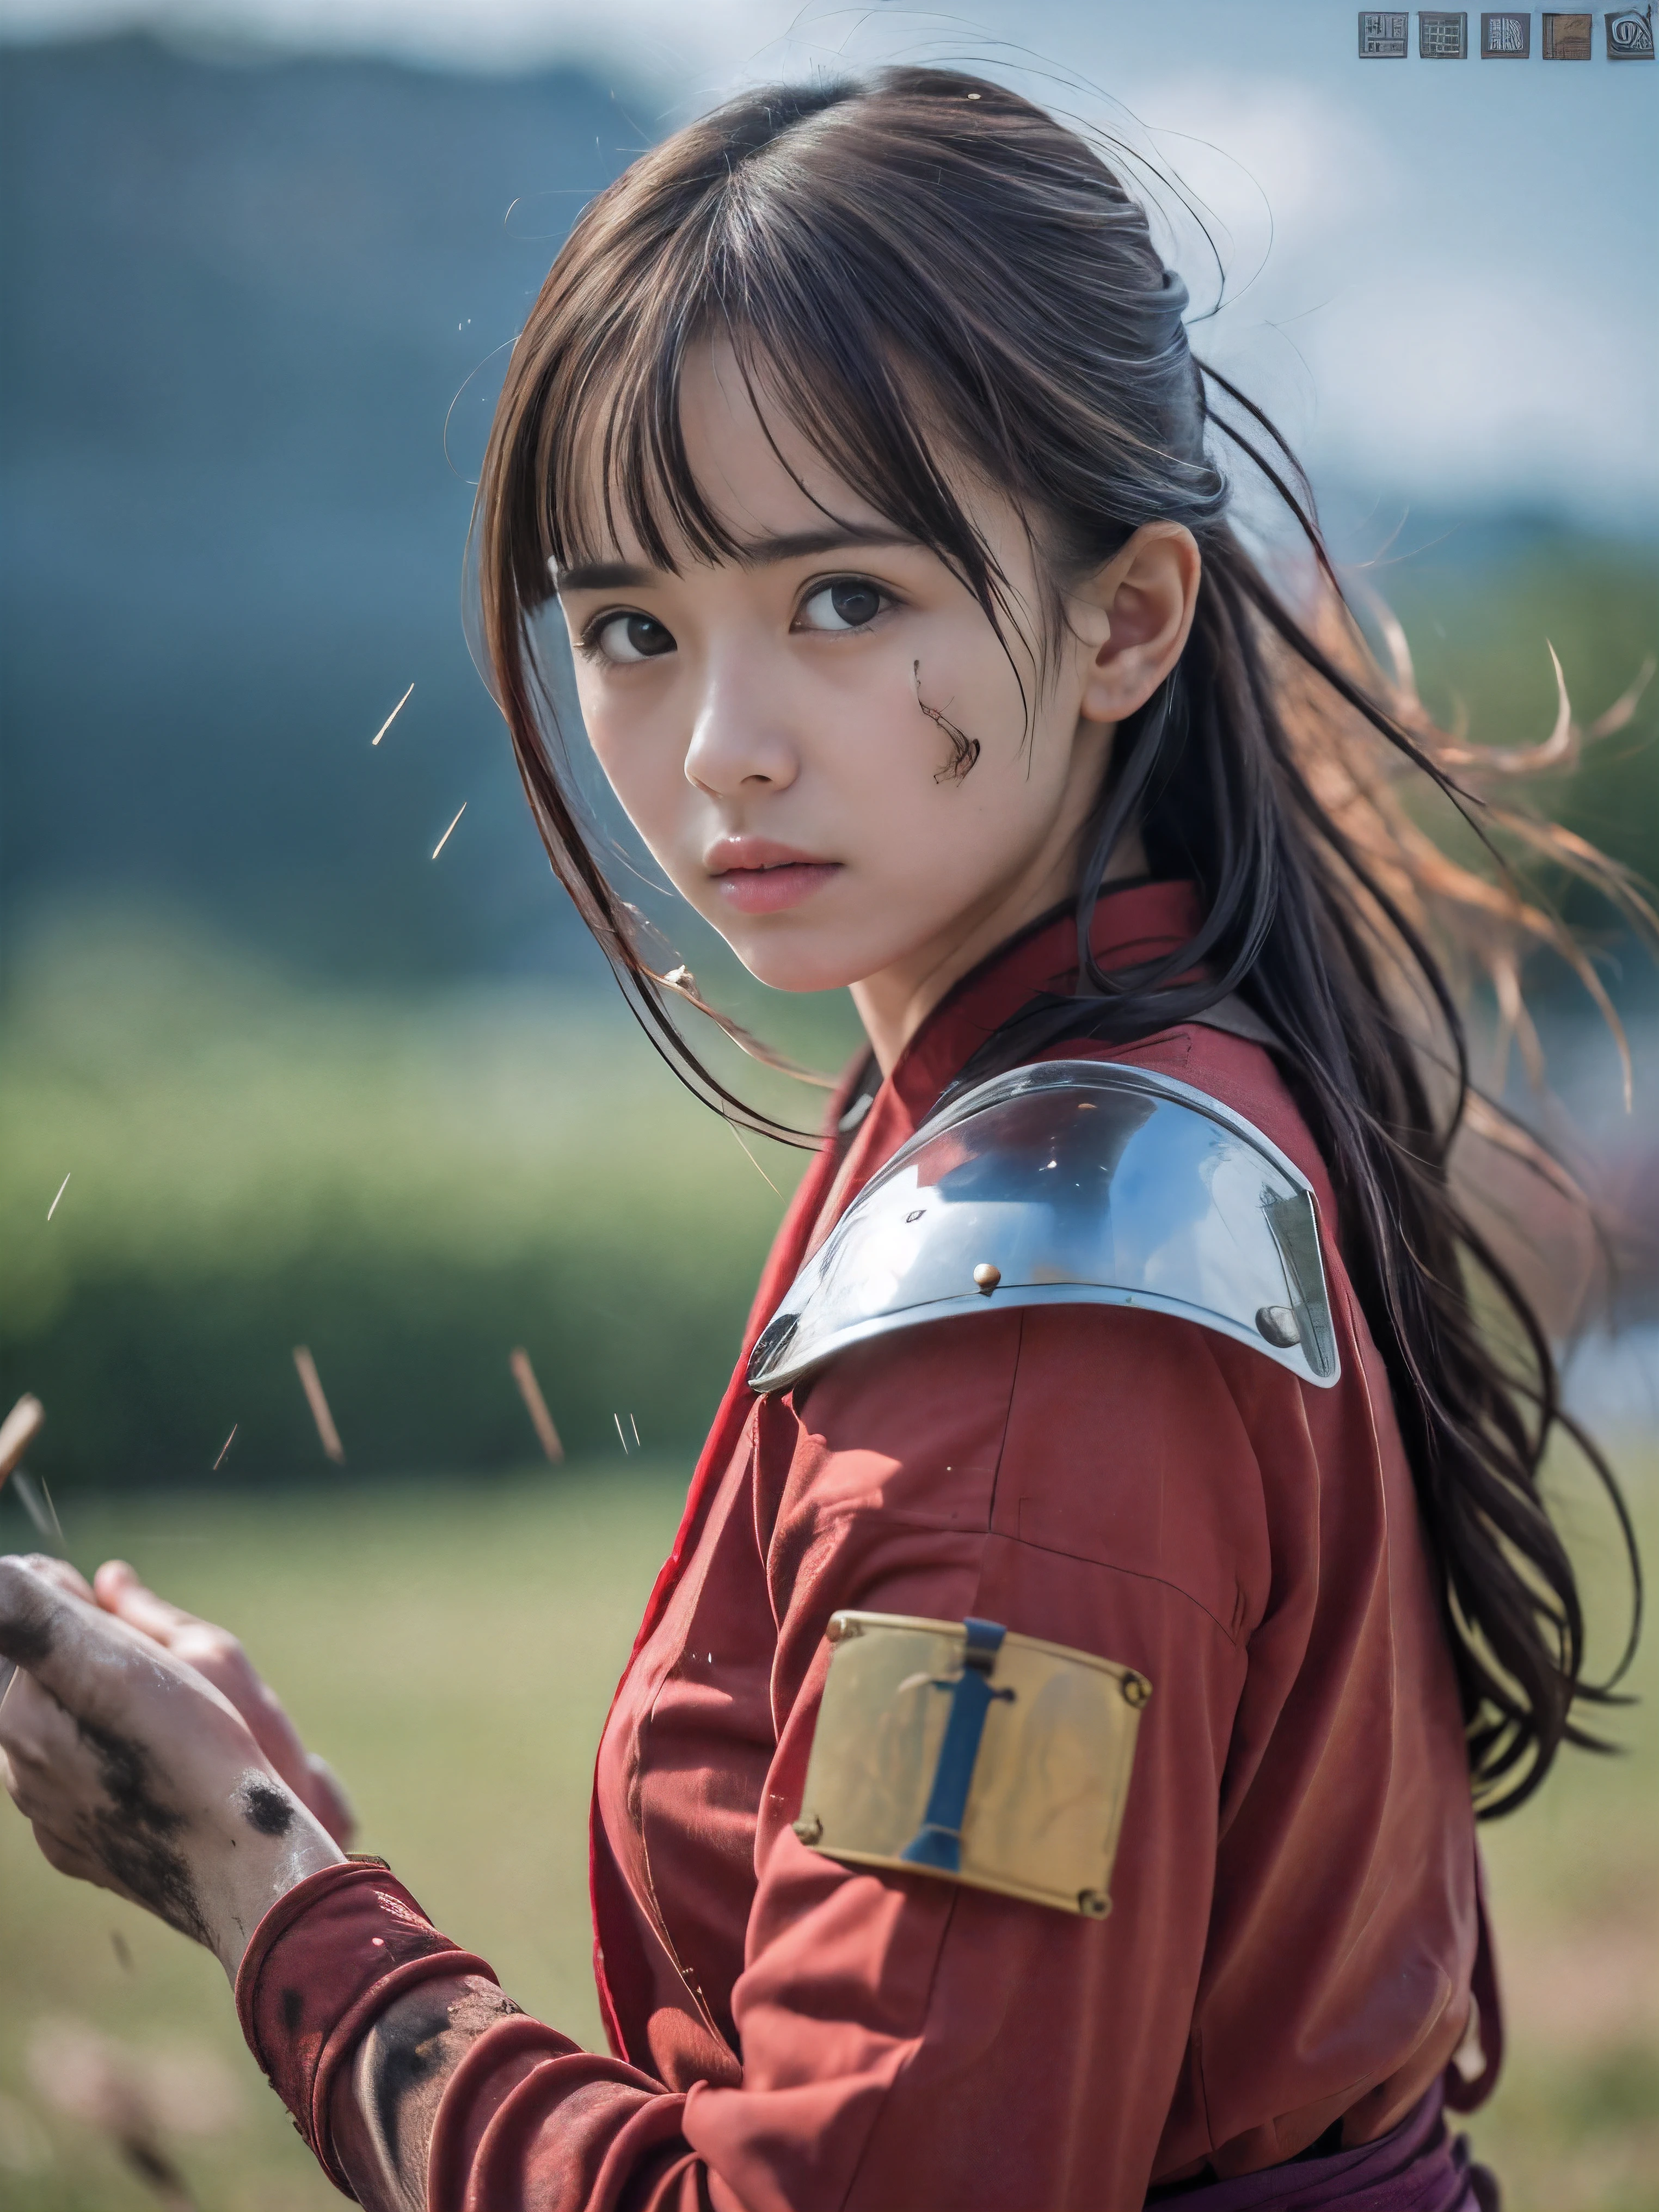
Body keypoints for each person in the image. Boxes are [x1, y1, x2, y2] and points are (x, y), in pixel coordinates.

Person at [0, 67, 1642, 2212]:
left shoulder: (1044, 1306)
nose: (718, 748)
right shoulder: (1104, 1116)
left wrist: (262, 1885)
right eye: (628, 630)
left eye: (846, 599)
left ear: (1129, 613)